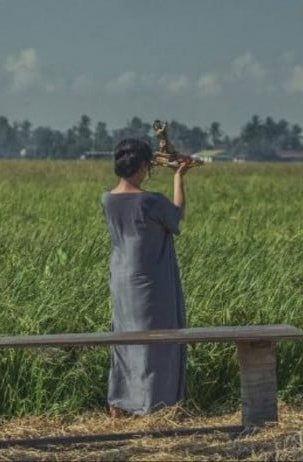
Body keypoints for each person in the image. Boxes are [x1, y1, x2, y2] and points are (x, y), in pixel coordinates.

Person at [101, 137, 192, 418]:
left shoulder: (107, 199)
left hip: (121, 279)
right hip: (151, 281)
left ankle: (120, 402)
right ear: (142, 167)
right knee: (156, 343)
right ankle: (154, 405)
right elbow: (176, 217)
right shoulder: (150, 201)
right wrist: (179, 177)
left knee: (124, 340)